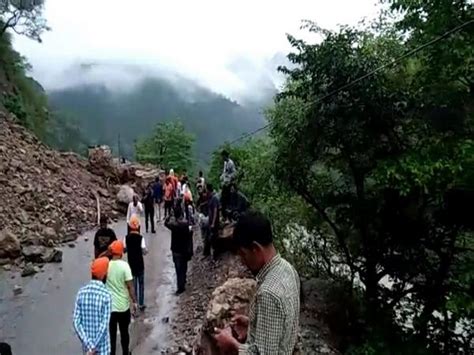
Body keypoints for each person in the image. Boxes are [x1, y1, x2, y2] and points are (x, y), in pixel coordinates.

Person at [213, 211, 301, 355]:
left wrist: (232, 345)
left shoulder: (268, 294)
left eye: (243, 254)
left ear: (256, 249)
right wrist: (252, 324)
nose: (242, 260)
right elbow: (283, 325)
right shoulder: (288, 269)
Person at [73, 257, 112, 355]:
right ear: (104, 275)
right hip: (102, 349)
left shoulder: (81, 293)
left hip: (87, 350)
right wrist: (94, 347)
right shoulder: (107, 295)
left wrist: (89, 345)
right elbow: (104, 326)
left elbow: (76, 322)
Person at [106, 241, 138, 355]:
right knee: (125, 333)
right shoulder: (125, 266)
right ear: (121, 252)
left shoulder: (106, 265)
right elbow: (130, 286)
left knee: (112, 335)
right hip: (123, 307)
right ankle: (125, 352)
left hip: (110, 308)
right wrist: (134, 302)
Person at [164, 206, 193, 295]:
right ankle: (183, 282)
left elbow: (166, 223)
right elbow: (190, 233)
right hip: (184, 249)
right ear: (181, 214)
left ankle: (180, 287)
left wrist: (169, 215)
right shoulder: (185, 224)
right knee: (184, 267)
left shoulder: (174, 225)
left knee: (178, 269)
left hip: (176, 250)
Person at [124, 216, 147, 311]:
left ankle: (135, 303)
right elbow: (144, 251)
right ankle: (141, 303)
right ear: (138, 227)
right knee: (141, 284)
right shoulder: (141, 238)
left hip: (131, 265)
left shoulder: (126, 238)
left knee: (133, 285)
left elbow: (124, 250)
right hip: (140, 265)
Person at [220, 150, 236, 220]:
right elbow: (224, 172)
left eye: (222, 156)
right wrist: (222, 177)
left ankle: (227, 217)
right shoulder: (225, 163)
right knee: (223, 200)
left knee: (226, 200)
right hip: (224, 182)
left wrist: (229, 179)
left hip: (228, 184)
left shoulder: (230, 163)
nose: (222, 158)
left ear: (225, 156)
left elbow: (234, 173)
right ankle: (224, 216)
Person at [207, 183, 220, 258]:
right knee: (211, 238)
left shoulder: (214, 198)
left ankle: (215, 254)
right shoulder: (210, 197)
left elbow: (215, 210)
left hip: (214, 222)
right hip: (211, 221)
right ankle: (213, 254)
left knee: (214, 238)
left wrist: (213, 223)